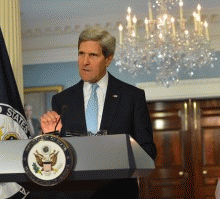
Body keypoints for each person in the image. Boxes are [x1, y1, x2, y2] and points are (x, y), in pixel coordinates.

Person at [39, 27, 157, 198]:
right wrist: (50, 135)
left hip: (119, 192)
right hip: (74, 193)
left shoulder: (131, 96)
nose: (84, 61)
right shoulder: (62, 100)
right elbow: (54, 155)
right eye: (81, 54)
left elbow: (148, 151)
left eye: (92, 55)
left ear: (108, 59)